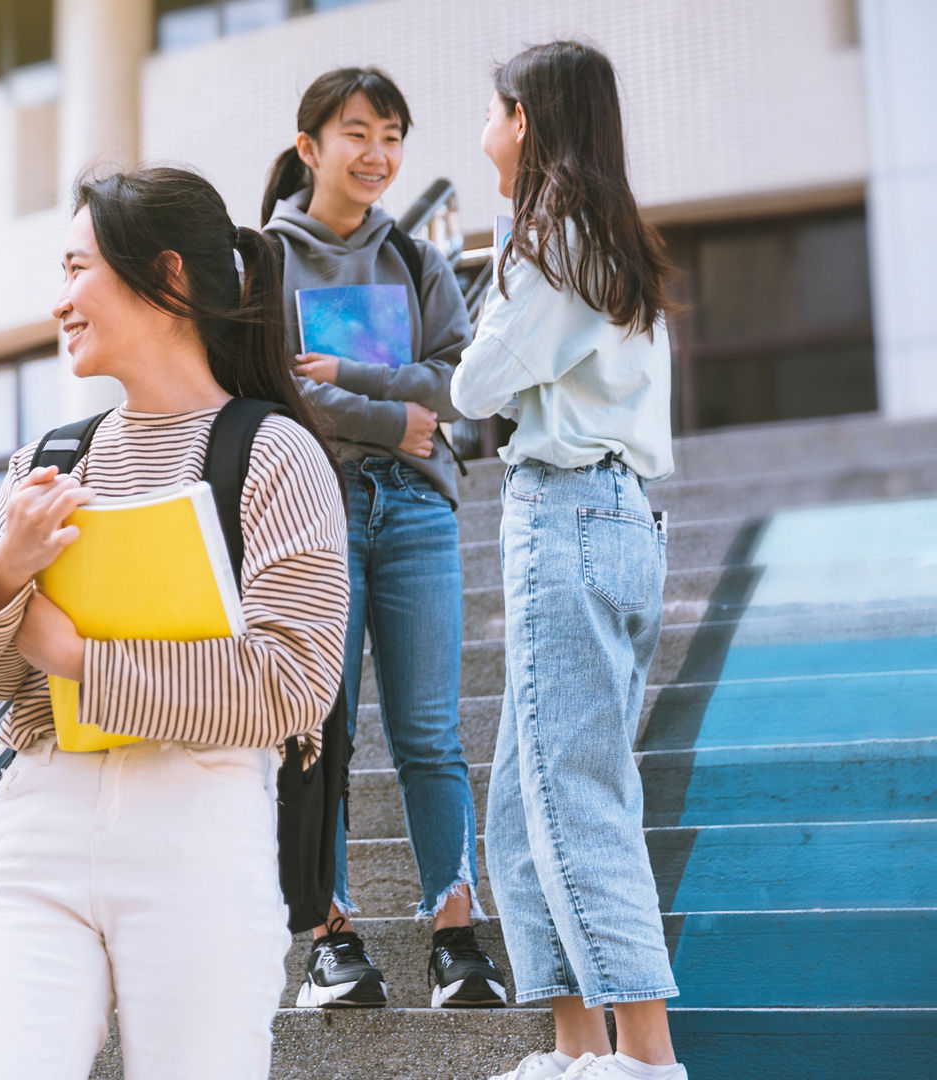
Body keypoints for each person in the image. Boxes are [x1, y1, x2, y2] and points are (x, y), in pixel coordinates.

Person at [0, 166, 350, 1080]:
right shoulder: (47, 461)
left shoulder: (273, 453)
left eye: (77, 267)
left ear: (165, 279)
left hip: (201, 820)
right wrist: (3, 575)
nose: (60, 300)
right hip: (37, 818)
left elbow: (292, 682)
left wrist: (73, 654)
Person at [451, 40, 686, 1080]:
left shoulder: (557, 242)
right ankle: (574, 1048)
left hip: (572, 514)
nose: (485, 135)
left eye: (495, 114)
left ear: (526, 121)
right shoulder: (609, 237)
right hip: (618, 517)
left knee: (574, 792)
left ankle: (644, 1058)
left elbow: (475, 385)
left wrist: (503, 256)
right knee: (524, 800)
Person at [260, 65, 508, 1009]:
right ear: (309, 147)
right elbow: (278, 393)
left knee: (432, 735)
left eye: (394, 135)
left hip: (414, 513)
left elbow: (457, 386)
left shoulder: (417, 259)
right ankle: (330, 936)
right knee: (320, 729)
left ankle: (454, 935)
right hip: (315, 515)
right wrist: (390, 416)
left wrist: (356, 382)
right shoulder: (266, 260)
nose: (378, 154)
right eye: (357, 133)